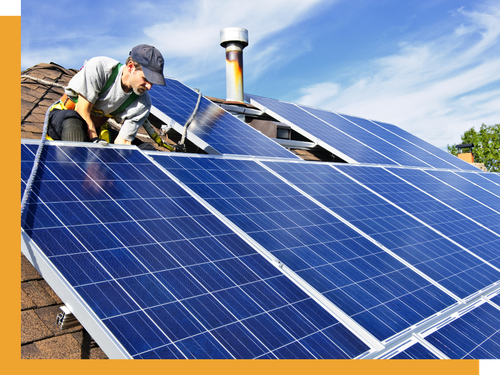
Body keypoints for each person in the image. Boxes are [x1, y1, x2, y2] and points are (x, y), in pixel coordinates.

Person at [47, 44, 166, 146]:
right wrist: (94, 141)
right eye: (145, 79)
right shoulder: (100, 68)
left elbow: (123, 142)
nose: (149, 87)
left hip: (98, 129)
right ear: (130, 66)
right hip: (64, 119)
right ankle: (74, 169)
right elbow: (82, 111)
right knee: (74, 122)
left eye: (152, 82)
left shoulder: (143, 103)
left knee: (144, 150)